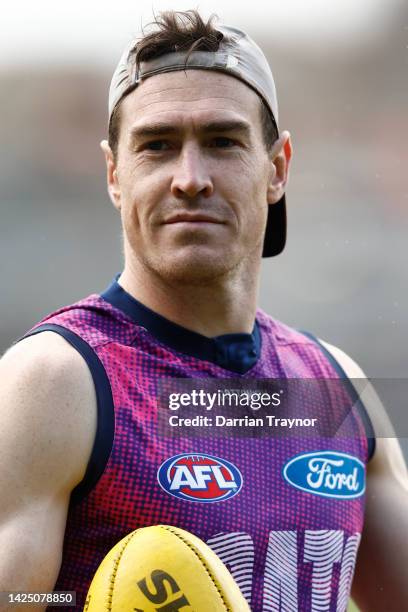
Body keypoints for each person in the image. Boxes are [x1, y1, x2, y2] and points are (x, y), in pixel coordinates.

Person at [1, 9, 407, 612]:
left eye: (222, 141)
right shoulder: (57, 381)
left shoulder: (333, 386)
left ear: (277, 168)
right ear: (115, 174)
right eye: (158, 146)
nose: (189, 178)